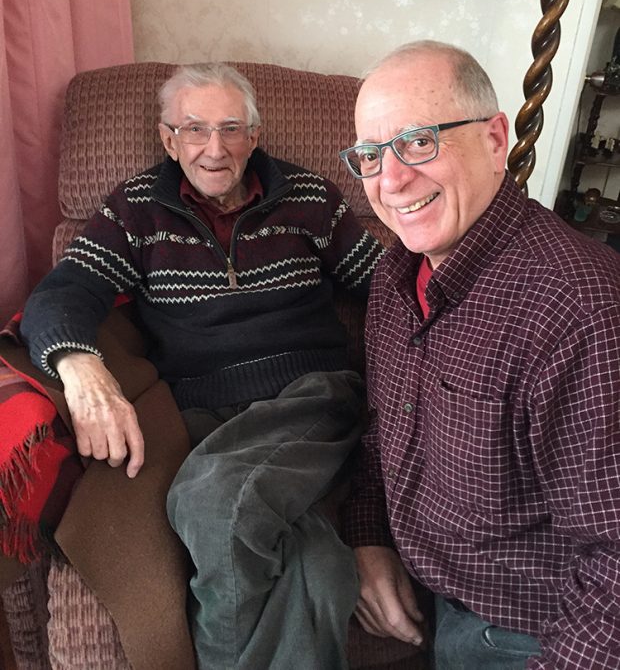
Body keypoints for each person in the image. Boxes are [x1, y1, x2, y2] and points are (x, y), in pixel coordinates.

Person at [18, 62, 385, 669]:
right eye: (194, 130)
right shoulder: (135, 210)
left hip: (310, 398)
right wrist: (80, 365)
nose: (214, 149)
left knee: (210, 499)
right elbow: (63, 293)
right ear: (168, 139)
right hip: (199, 414)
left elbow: (388, 287)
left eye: (231, 128)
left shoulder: (312, 199)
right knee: (319, 570)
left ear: (255, 135)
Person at [339, 40, 620, 670]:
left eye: (418, 141)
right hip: (426, 591)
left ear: (495, 139)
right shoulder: (395, 276)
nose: (390, 180)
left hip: (524, 630)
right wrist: (368, 538)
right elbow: (383, 435)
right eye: (369, 155)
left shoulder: (577, 308)